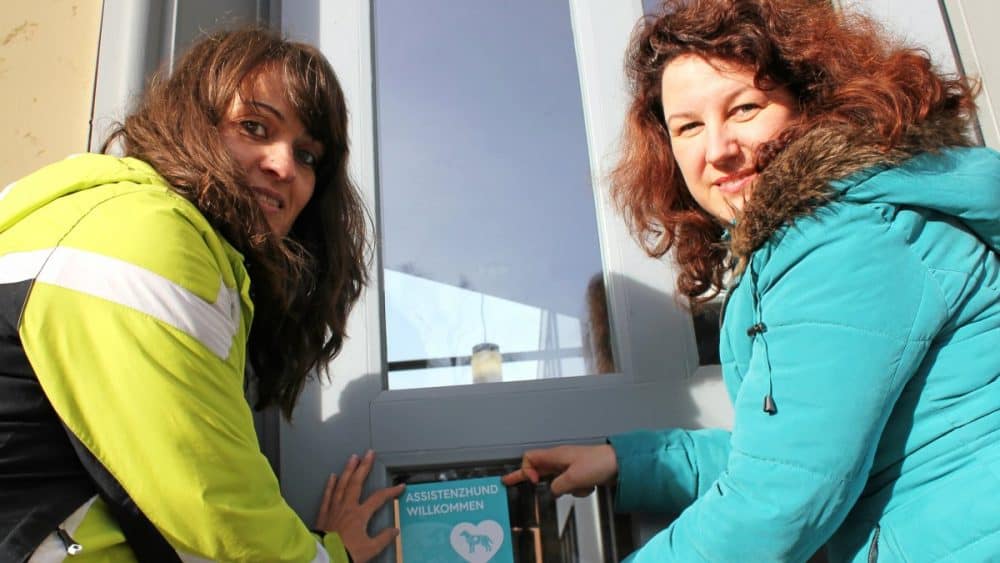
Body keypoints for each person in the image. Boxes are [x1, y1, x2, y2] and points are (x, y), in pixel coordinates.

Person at [504, 0, 1000, 560]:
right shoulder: (815, 232)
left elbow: (779, 499)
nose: (717, 150)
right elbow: (791, 444)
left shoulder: (848, 237)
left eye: (743, 109)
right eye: (688, 126)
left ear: (808, 101)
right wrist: (630, 461)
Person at [0, 28, 403, 562]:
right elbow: (211, 514)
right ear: (192, 122)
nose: (285, 167)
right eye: (254, 127)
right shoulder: (142, 235)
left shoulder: (136, 228)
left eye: (307, 156)